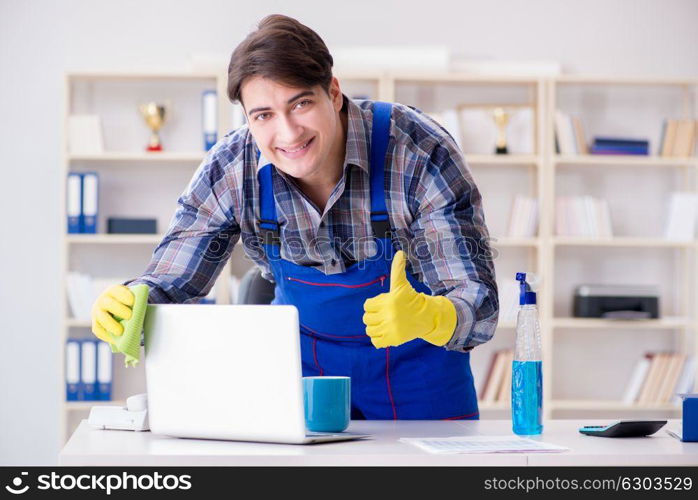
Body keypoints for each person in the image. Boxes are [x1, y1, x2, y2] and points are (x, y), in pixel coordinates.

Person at [91, 14, 498, 420]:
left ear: (333, 93)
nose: (287, 133)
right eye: (263, 115)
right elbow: (170, 284)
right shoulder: (233, 169)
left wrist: (434, 316)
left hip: (421, 378)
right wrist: (132, 304)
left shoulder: (416, 150)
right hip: (302, 380)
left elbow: (477, 304)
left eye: (300, 103)